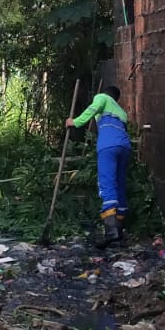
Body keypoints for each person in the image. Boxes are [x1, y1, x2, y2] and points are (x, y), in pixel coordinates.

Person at [67, 85, 131, 244]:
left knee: (107, 184)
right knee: (119, 184)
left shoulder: (101, 98)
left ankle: (111, 231)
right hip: (124, 147)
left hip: (108, 146)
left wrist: (74, 122)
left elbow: (91, 110)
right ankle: (119, 226)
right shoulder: (121, 112)